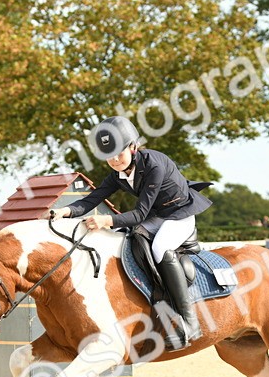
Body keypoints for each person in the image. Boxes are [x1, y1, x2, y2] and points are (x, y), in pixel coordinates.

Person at [47, 116, 211, 350]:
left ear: (133, 147)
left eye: (118, 154)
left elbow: (139, 214)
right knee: (132, 240)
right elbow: (92, 199)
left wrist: (107, 220)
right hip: (157, 216)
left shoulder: (153, 165)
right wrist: (65, 211)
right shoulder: (118, 174)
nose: (114, 160)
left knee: (159, 247)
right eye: (108, 157)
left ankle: (189, 322)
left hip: (179, 214)